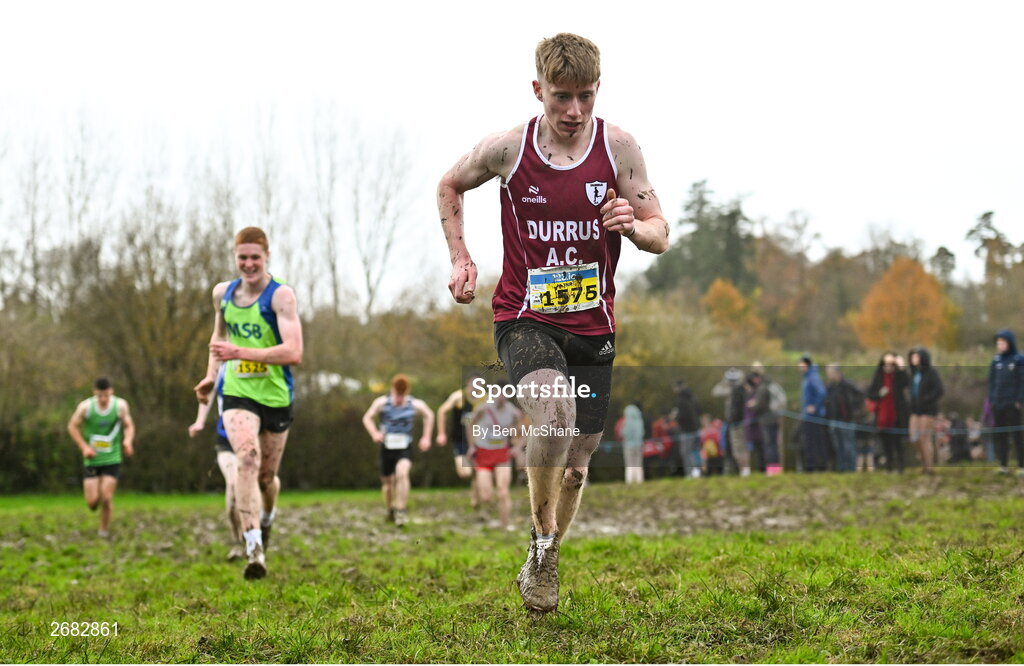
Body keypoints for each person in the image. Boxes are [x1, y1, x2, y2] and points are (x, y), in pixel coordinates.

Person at [436, 32, 669, 613]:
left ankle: (547, 554)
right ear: (538, 90)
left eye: (585, 97)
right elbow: (449, 184)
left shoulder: (619, 149)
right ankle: (541, 549)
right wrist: (461, 258)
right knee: (555, 409)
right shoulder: (508, 150)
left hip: (594, 324)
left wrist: (632, 226)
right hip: (525, 316)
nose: (574, 111)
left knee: (578, 466)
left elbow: (660, 231)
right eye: (562, 97)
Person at [192, 226, 303, 580]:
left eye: (255, 257)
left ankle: (266, 520)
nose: (249, 264)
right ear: (235, 257)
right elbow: (218, 337)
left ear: (266, 256)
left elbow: (293, 352)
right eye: (243, 257)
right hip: (238, 392)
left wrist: (241, 351)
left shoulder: (280, 296)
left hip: (275, 395)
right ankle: (253, 547)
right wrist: (211, 376)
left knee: (267, 479)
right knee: (247, 458)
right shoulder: (222, 294)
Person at [189, 364, 279, 562]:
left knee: (267, 481)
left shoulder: (262, 356)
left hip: (258, 434)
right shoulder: (222, 365)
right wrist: (200, 421)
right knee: (232, 485)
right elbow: (209, 391)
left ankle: (266, 519)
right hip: (227, 439)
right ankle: (241, 542)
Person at [362, 374, 434, 527]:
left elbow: (429, 415)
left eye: (402, 395)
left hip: (404, 446)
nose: (399, 399)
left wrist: (426, 437)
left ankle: (401, 509)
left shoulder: (414, 404)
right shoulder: (382, 402)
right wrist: (374, 433)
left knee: (402, 473)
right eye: (397, 394)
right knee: (388, 483)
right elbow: (367, 418)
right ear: (392, 390)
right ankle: (390, 509)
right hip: (386, 446)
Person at [68, 377, 136, 539]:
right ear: (94, 394)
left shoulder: (120, 406)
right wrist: (84, 447)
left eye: (106, 395)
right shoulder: (86, 407)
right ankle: (98, 512)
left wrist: (127, 441)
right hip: (92, 459)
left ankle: (103, 531)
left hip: (112, 458)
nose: (103, 399)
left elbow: (129, 425)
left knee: (106, 497)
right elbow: (72, 426)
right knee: (92, 503)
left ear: (111, 392)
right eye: (100, 396)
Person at [467, 385, 523, 529]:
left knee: (503, 492)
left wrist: (517, 448)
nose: (501, 396)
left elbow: (523, 432)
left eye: (505, 393)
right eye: (497, 393)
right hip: (483, 452)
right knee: (486, 497)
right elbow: (470, 425)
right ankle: (484, 502)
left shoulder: (513, 412)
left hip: (502, 453)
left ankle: (505, 526)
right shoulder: (483, 409)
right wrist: (472, 445)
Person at [436, 374, 482, 505]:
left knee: (477, 470)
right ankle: (475, 496)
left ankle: (475, 499)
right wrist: (441, 433)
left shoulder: (483, 399)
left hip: (477, 438)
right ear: (468, 383)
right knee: (465, 472)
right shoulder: (458, 397)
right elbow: (441, 411)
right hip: (459, 439)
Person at [988, 330, 1024, 474]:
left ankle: (1021, 465)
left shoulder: (1018, 359)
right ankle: (1003, 465)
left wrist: (1019, 399)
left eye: (1002, 343)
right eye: (998, 343)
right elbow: (991, 382)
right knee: (1001, 435)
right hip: (998, 403)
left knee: (1017, 435)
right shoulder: (995, 361)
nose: (1000, 345)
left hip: (1012, 403)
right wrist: (992, 399)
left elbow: (1022, 381)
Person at [868, 352, 910, 473]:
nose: (888, 367)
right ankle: (889, 466)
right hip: (882, 416)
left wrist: (902, 368)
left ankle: (901, 466)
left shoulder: (898, 377)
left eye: (891, 365)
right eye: (886, 365)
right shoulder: (878, 377)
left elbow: (907, 382)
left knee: (898, 442)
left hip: (897, 414)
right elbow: (871, 394)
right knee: (886, 443)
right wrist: (879, 394)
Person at [907, 346, 944, 474]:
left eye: (916, 356)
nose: (913, 359)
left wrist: (926, 399)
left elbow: (939, 390)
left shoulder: (931, 373)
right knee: (914, 437)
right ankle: (923, 461)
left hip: (927, 411)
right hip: (915, 410)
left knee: (925, 437)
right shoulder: (913, 374)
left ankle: (929, 466)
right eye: (912, 357)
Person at [824, 363, 865, 473]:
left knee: (848, 446)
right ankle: (841, 468)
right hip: (834, 420)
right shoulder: (830, 387)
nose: (829, 375)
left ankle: (851, 468)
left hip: (847, 420)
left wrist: (855, 409)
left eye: (830, 373)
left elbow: (861, 395)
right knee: (838, 447)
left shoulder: (848, 385)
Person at [798, 356, 828, 472]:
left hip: (814, 417)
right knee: (808, 442)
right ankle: (810, 467)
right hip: (807, 416)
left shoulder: (813, 377)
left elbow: (822, 393)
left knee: (816, 442)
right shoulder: (806, 377)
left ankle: (819, 467)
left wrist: (814, 406)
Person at [672, 380, 702, 477]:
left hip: (687, 430)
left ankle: (690, 473)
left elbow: (683, 416)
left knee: (685, 452)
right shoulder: (693, 397)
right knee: (695, 450)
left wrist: (675, 417)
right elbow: (699, 411)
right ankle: (697, 471)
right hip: (696, 428)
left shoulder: (681, 400)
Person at [621, 403, 645, 484]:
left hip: (628, 445)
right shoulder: (639, 421)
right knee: (638, 464)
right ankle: (639, 481)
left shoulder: (627, 422)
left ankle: (630, 481)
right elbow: (642, 433)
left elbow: (624, 433)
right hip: (639, 445)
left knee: (629, 464)